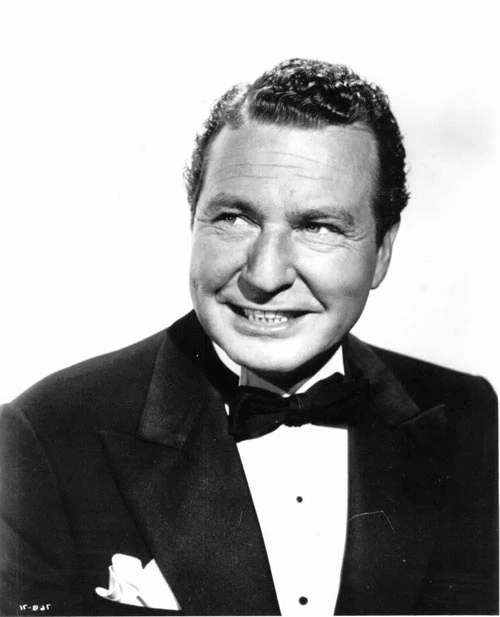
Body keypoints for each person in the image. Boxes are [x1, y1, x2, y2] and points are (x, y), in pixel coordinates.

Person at [0, 58, 497, 616]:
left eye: (318, 226)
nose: (265, 275)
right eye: (235, 218)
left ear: (381, 252)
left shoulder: (470, 417)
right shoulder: (41, 438)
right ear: (193, 220)